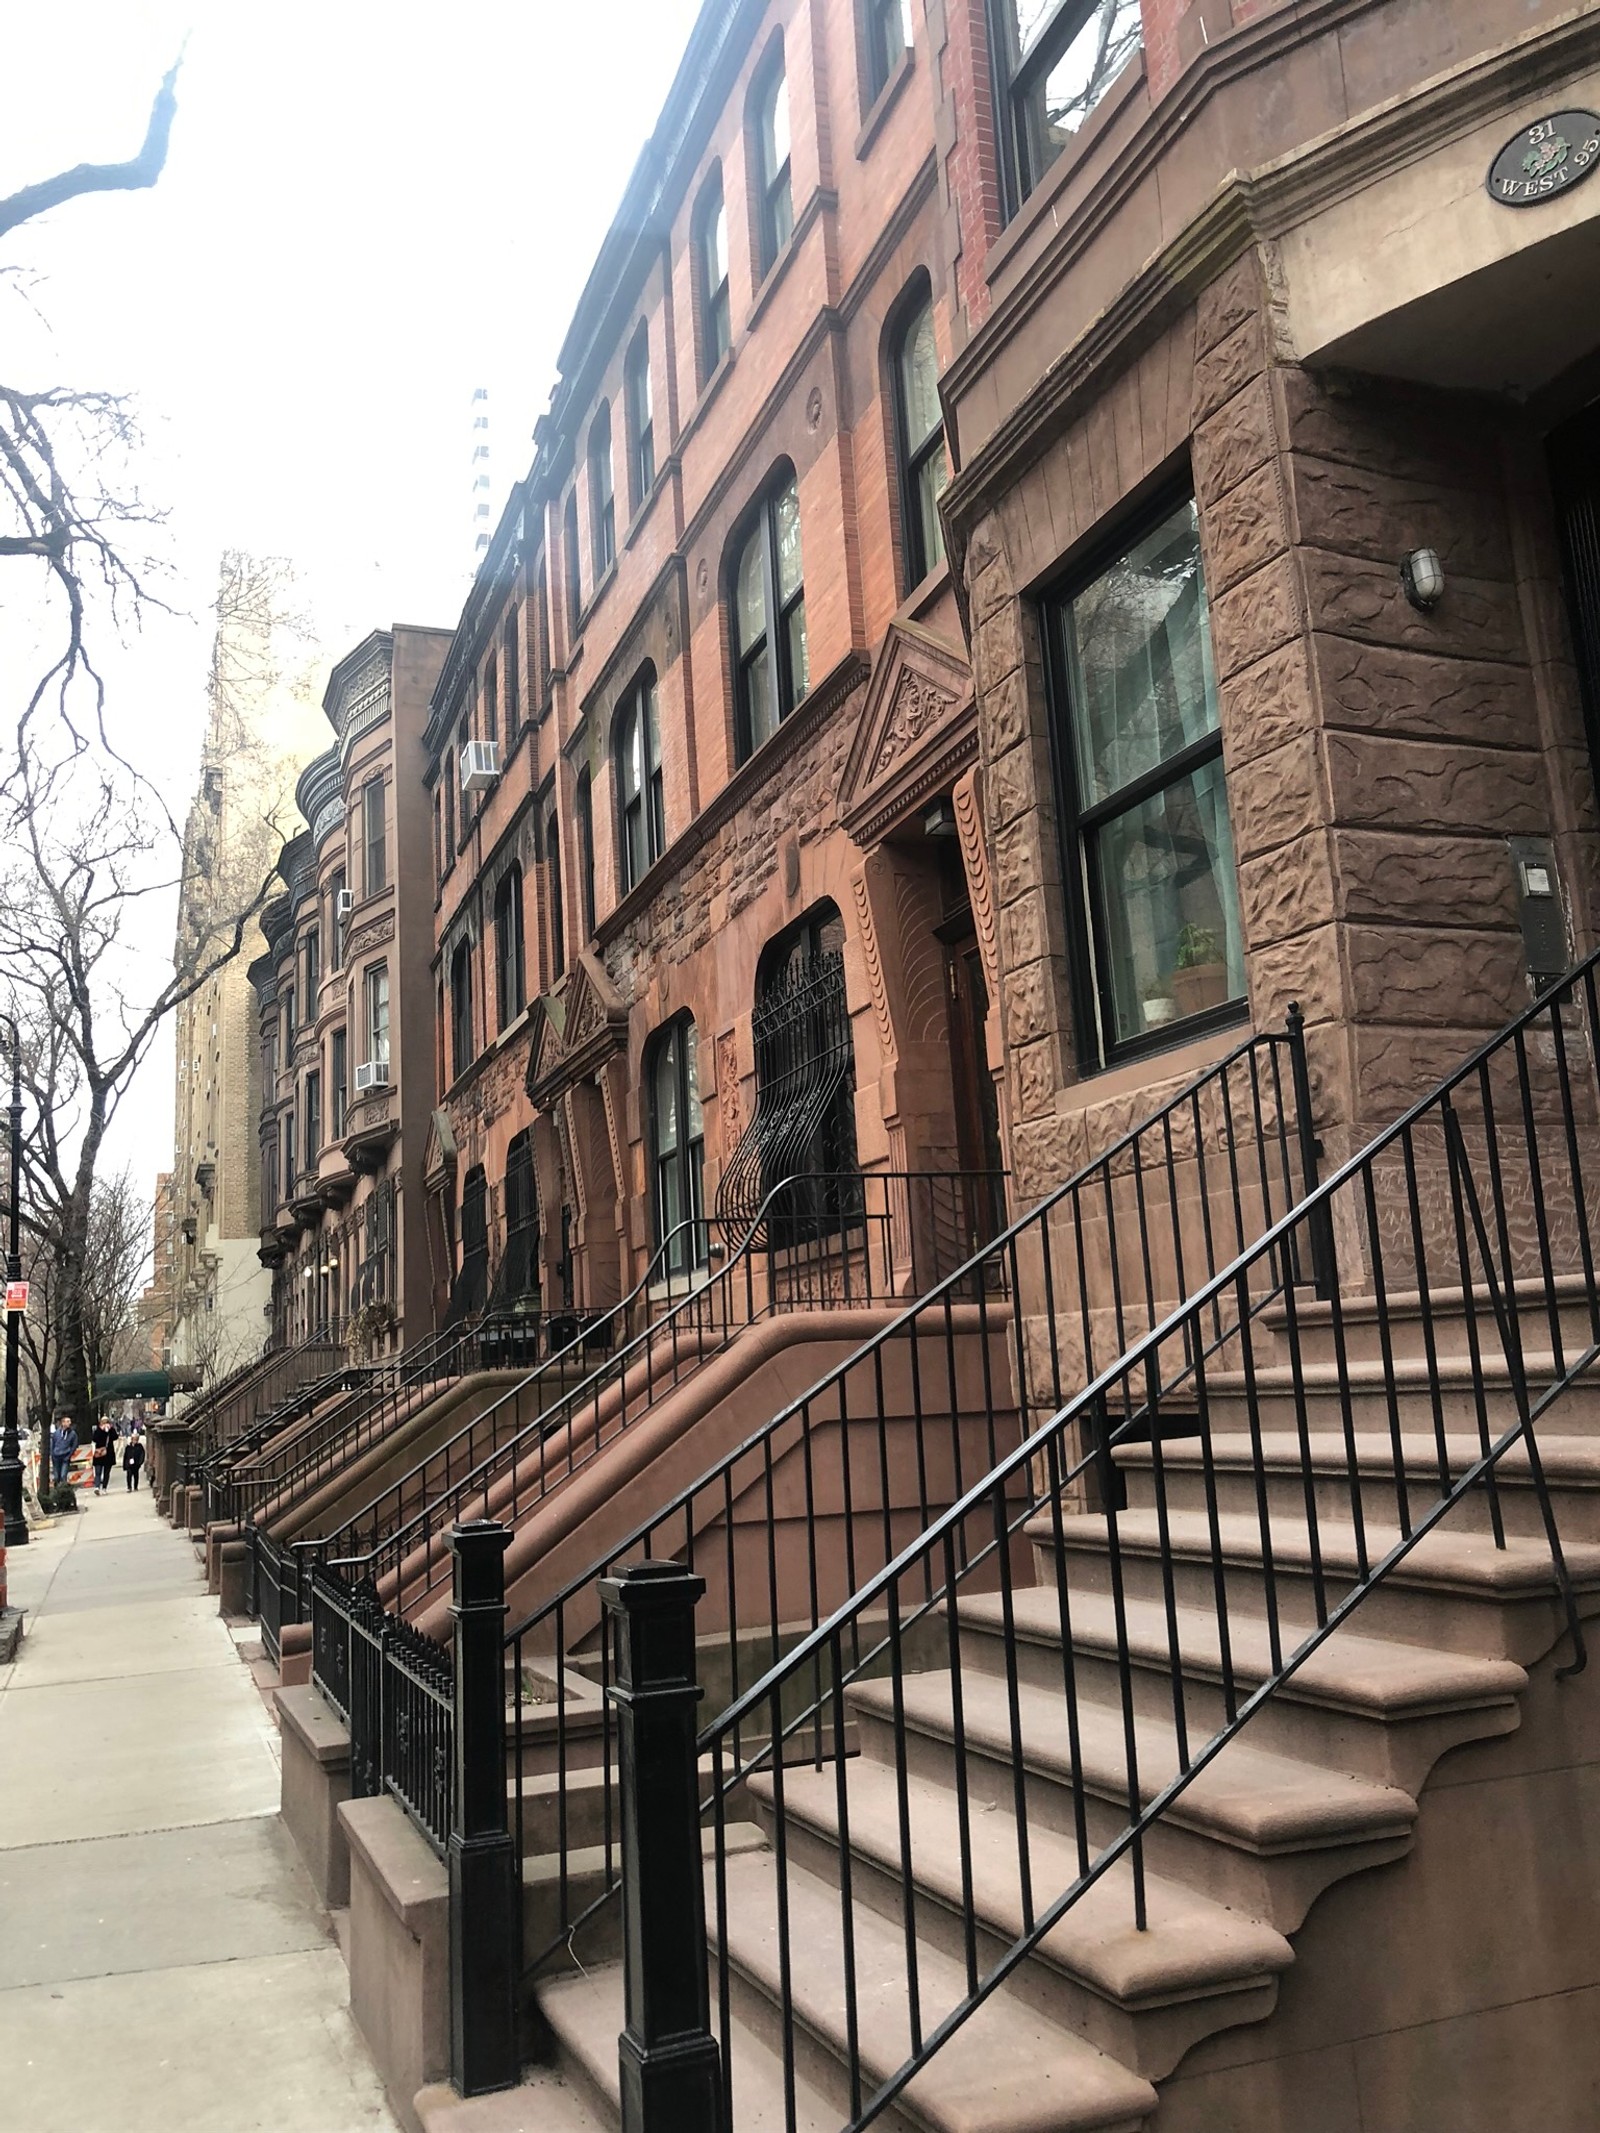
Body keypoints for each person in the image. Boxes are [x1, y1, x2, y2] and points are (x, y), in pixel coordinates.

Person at [90, 1416, 117, 1494]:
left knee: (106, 1472)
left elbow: (115, 1437)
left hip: (109, 1454)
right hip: (99, 1453)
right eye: (103, 1422)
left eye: (106, 1421)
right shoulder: (98, 1430)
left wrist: (110, 1430)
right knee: (98, 1471)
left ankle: (104, 1487)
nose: (105, 1423)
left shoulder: (111, 1429)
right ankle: (97, 1487)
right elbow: (94, 1439)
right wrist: (101, 1431)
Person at [50, 1416, 77, 1488]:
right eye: (67, 1421)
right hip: (56, 1457)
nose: (69, 1423)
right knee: (56, 1476)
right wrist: (52, 1454)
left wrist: (69, 1455)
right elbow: (53, 1444)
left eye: (69, 1421)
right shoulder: (56, 1433)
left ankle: (63, 1490)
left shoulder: (72, 1434)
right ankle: (56, 1490)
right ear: (63, 1423)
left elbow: (74, 1445)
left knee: (63, 1475)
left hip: (65, 1456)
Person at [122, 1428, 146, 1492]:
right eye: (134, 1439)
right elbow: (125, 1456)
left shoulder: (139, 1446)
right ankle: (129, 1487)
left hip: (136, 1463)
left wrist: (140, 1462)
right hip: (129, 1463)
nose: (134, 1440)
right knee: (129, 1475)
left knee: (136, 1475)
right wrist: (125, 1465)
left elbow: (142, 1454)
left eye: (136, 1439)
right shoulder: (128, 1447)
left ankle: (135, 1486)